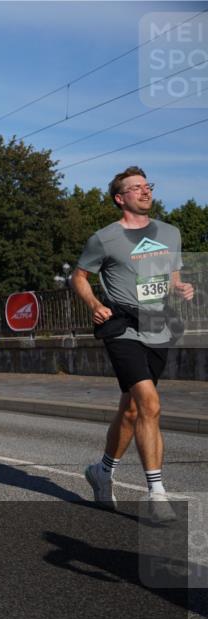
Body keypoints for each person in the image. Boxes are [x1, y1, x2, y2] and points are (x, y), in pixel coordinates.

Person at [72, 166, 194, 524]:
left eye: (147, 186)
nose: (145, 191)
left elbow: (171, 277)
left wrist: (181, 288)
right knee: (150, 404)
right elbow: (79, 276)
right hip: (121, 326)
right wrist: (95, 305)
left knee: (131, 410)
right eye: (136, 188)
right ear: (120, 198)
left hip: (158, 325)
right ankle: (157, 492)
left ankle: (102, 470)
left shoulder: (170, 233)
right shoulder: (104, 239)